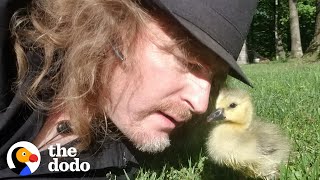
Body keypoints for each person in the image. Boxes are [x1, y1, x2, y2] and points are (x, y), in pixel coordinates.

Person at [0, 0, 258, 179]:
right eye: (188, 61)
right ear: (114, 19)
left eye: (214, 79)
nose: (201, 103)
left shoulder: (135, 138)